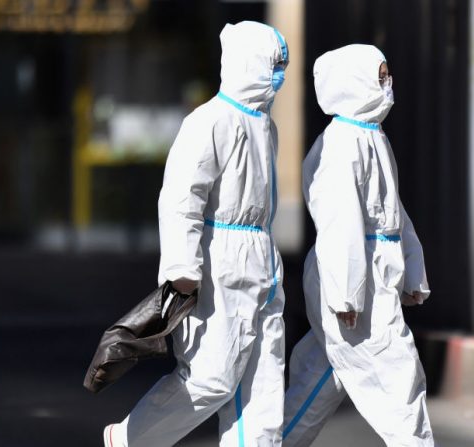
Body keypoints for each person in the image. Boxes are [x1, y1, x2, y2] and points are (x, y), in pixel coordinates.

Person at [102, 20, 289, 446]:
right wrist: (182, 267)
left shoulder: (265, 126)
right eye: (273, 63)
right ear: (250, 63)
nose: (279, 73)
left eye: (282, 64)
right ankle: (131, 439)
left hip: (261, 258)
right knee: (212, 376)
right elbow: (181, 197)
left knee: (262, 384)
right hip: (219, 259)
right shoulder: (209, 121)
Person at [282, 44, 435, 446]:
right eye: (379, 76)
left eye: (386, 74)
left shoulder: (371, 137)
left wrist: (412, 271)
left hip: (370, 276)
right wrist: (347, 294)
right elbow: (339, 222)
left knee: (320, 378)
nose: (388, 84)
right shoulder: (342, 144)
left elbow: (394, 214)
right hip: (354, 280)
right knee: (399, 377)